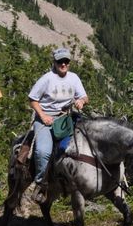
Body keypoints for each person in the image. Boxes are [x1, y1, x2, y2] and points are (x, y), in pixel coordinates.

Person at [28, 47, 89, 201]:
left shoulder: (74, 78)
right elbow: (33, 99)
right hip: (47, 119)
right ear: (54, 62)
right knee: (43, 151)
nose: (63, 64)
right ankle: (41, 183)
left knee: (88, 141)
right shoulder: (47, 79)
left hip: (66, 118)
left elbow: (84, 96)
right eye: (60, 61)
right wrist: (42, 115)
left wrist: (81, 101)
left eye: (66, 61)